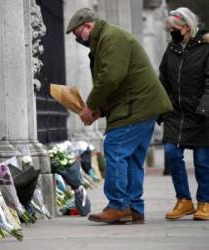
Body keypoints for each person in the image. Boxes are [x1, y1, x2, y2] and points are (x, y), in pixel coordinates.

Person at [66, 8, 173, 224]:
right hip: (141, 105)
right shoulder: (107, 39)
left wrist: (90, 106)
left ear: (87, 26)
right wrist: (99, 112)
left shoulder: (110, 38)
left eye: (78, 34)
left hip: (136, 105)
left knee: (115, 148)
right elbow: (117, 82)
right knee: (132, 158)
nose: (78, 39)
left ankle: (118, 206)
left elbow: (110, 78)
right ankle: (134, 207)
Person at [159, 7, 209, 221]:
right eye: (169, 28)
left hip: (201, 114)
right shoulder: (171, 49)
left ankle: (205, 202)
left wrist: (204, 109)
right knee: (171, 153)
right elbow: (163, 81)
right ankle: (184, 201)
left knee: (202, 160)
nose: (171, 31)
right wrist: (163, 107)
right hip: (176, 114)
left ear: (187, 27)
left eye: (174, 28)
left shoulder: (206, 48)